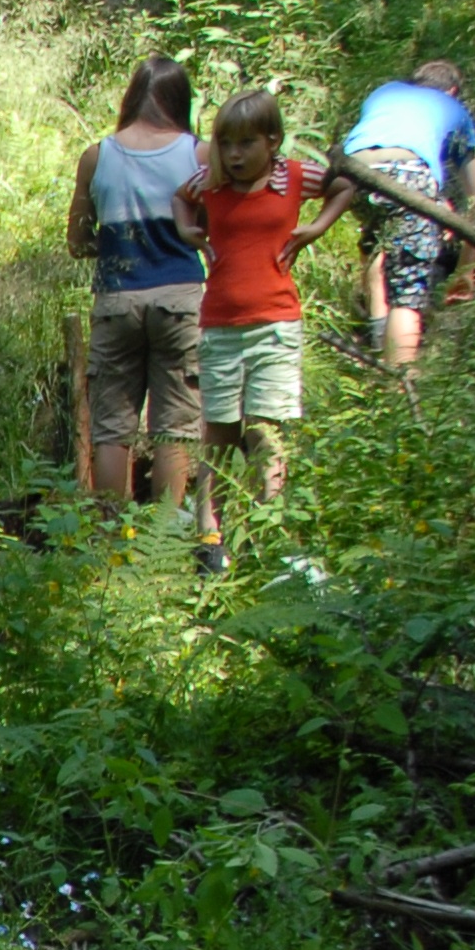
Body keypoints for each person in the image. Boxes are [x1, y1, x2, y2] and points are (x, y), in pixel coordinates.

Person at [174, 87, 341, 577]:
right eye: (226, 143)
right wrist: (188, 231)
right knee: (219, 433)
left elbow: (343, 185)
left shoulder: (294, 176)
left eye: (246, 143)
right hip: (221, 326)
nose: (234, 154)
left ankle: (272, 532)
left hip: (277, 325)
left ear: (272, 141)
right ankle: (209, 536)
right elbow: (180, 198)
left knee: (265, 430)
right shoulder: (211, 183)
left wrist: (317, 227)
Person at [66, 56, 205, 518]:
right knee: (174, 425)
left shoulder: (97, 156)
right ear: (181, 102)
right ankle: (165, 532)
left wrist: (111, 246)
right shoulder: (199, 154)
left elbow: (77, 240)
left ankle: (110, 531)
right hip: (180, 299)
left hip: (116, 300)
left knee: (112, 426)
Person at [335, 61, 475, 373]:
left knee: (379, 243)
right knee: (408, 288)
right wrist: (466, 270)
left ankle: (378, 338)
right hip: (407, 173)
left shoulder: (385, 92)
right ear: (453, 91)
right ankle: (400, 382)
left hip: (349, 173)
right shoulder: (454, 109)